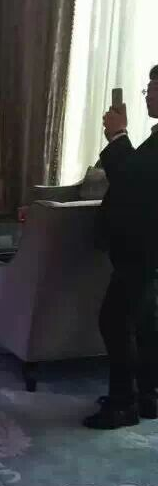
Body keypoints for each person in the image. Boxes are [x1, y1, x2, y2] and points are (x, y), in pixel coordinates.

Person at [83, 66, 158, 429]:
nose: (148, 95)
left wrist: (117, 136)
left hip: (143, 248)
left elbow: (132, 180)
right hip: (142, 247)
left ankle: (122, 403)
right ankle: (146, 395)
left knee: (115, 320)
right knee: (144, 322)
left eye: (153, 88)